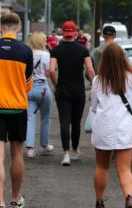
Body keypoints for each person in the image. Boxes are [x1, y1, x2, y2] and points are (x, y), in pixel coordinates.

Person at [0, 13, 33, 208]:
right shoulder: (26, 51)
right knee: (17, 154)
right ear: (18, 30)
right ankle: (15, 197)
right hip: (18, 107)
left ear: (0, 29)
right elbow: (28, 85)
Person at [90, 43, 132, 208]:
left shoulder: (98, 80)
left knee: (102, 166)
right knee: (124, 168)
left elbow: (94, 107)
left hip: (103, 127)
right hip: (124, 127)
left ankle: (100, 201)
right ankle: (129, 197)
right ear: (123, 59)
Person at [49, 20, 96, 166]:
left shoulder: (56, 50)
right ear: (75, 32)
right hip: (78, 90)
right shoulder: (82, 50)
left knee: (64, 121)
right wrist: (95, 84)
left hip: (63, 89)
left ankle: (66, 154)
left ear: (63, 33)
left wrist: (56, 85)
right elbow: (89, 69)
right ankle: (75, 150)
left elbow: (51, 70)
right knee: (76, 122)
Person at [25, 32, 54, 158]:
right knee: (45, 118)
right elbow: (48, 73)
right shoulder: (46, 55)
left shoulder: (26, 54)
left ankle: (30, 149)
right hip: (42, 88)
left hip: (29, 87)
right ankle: (44, 145)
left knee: (30, 118)